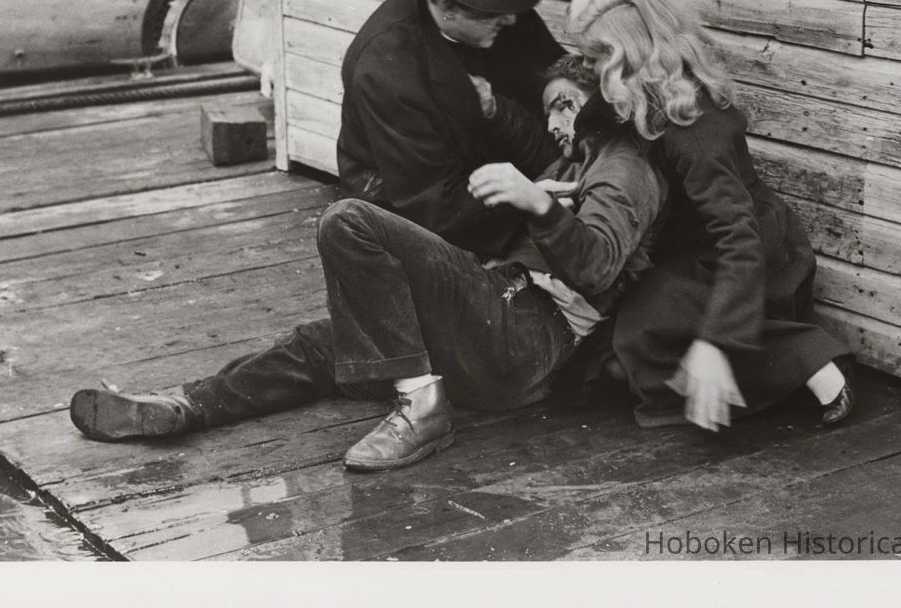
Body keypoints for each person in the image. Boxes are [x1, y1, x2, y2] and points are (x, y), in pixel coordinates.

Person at [69, 56, 667, 472]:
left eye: (565, 106)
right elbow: (536, 143)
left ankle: (420, 405)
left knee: (349, 220)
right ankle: (183, 406)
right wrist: (493, 110)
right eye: (550, 110)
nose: (555, 122)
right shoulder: (576, 159)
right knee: (319, 345)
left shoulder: (624, 169)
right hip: (492, 340)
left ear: (606, 104)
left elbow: (599, 266)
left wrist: (537, 202)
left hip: (528, 333)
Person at [565, 0, 854, 432]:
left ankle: (812, 362)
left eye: (595, 57)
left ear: (630, 57)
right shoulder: (648, 93)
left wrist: (717, 344)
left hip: (741, 246)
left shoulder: (696, 131)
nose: (584, 66)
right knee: (630, 350)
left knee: (646, 337)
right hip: (690, 239)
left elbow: (739, 240)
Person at [336, 0, 564, 256]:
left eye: (511, 6)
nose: (512, 19)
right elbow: (429, 201)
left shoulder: (499, 9)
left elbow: (558, 78)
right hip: (412, 208)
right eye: (495, 12)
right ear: (447, 8)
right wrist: (533, 200)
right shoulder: (386, 66)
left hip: (502, 181)